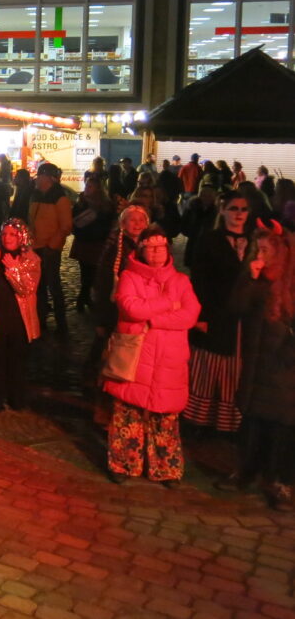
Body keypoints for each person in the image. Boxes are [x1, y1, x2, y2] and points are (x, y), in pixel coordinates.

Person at [103, 228, 200, 486]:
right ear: (142, 250)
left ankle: (166, 468)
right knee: (128, 414)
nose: (156, 252)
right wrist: (169, 302)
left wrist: (154, 319)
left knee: (165, 418)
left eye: (161, 247)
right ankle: (123, 463)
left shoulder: (181, 281)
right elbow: (132, 308)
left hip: (169, 360)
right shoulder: (129, 276)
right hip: (135, 358)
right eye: (151, 247)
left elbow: (190, 314)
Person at [222, 228, 295, 509]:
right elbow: (236, 308)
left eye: (266, 250)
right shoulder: (257, 281)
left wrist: (286, 356)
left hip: (283, 368)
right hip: (257, 362)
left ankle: (281, 481)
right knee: (253, 421)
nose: (260, 255)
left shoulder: (289, 284)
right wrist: (248, 278)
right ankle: (247, 472)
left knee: (282, 427)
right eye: (258, 250)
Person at [185, 191, 255, 433]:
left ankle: (230, 422)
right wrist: (200, 316)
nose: (239, 214)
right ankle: (201, 420)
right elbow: (200, 280)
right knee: (211, 365)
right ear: (223, 211)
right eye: (234, 208)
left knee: (237, 368)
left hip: (244, 319)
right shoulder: (211, 240)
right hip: (216, 313)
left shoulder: (255, 242)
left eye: (243, 209)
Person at [0, 219, 41, 411]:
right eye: (4, 234)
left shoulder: (31, 259)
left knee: (17, 360)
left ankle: (16, 397)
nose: (7, 238)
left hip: (19, 320)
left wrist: (13, 269)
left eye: (12, 234)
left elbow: (27, 289)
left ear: (21, 237)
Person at [27, 162, 72, 335]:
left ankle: (61, 323)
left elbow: (66, 226)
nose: (36, 179)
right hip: (36, 247)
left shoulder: (60, 198)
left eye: (39, 175)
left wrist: (52, 245)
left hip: (50, 249)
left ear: (47, 178)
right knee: (39, 286)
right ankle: (40, 320)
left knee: (54, 285)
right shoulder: (36, 195)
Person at [70, 177, 117, 311]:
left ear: (98, 189)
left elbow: (107, 224)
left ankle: (84, 298)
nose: (86, 189)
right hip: (84, 241)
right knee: (85, 272)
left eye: (90, 186)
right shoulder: (81, 203)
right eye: (86, 186)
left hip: (97, 243)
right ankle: (85, 298)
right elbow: (74, 220)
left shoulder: (105, 205)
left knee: (93, 272)